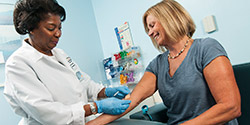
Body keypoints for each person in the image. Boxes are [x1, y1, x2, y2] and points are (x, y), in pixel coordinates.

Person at [86, 0, 241, 124]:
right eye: (148, 28)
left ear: (170, 19)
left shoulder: (206, 48)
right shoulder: (157, 64)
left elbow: (230, 107)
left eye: (152, 25)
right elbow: (131, 101)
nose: (150, 33)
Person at [3, 0, 131, 124]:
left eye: (59, 27)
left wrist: (106, 92)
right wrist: (96, 107)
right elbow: (46, 112)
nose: (58, 34)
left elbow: (84, 84)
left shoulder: (60, 54)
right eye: (51, 28)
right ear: (31, 28)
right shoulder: (18, 64)